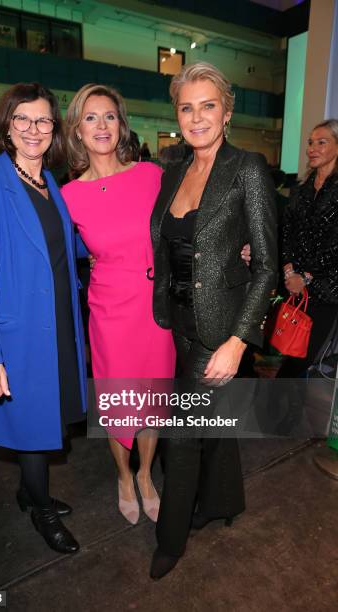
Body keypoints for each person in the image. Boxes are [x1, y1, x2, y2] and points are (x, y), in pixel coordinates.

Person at [150, 61, 277, 579]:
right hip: (178, 318)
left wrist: (238, 341)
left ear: (226, 113)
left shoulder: (247, 168)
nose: (197, 117)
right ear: (176, 114)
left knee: (181, 435)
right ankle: (224, 501)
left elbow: (267, 263)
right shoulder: (174, 169)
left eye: (208, 106)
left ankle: (170, 539)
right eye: (187, 107)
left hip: (219, 327)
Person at [0, 82, 87, 554]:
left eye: (44, 120)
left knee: (47, 417)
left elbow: (67, 248)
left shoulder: (50, 182)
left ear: (55, 129)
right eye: (23, 120)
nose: (34, 129)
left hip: (56, 323)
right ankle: (42, 509)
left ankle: (29, 491)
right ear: (7, 127)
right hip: (17, 332)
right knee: (33, 426)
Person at [61, 84, 176, 525]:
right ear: (77, 130)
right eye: (90, 118)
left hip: (155, 309)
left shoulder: (150, 175)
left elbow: (182, 227)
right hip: (110, 312)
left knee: (153, 395)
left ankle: (147, 474)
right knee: (118, 400)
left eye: (109, 116)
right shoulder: (69, 196)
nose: (101, 125)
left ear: (121, 124)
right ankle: (123, 477)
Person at [277, 118, 338, 378]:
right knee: (291, 355)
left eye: (321, 142)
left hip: (327, 292)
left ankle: (280, 414)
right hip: (296, 290)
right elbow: (287, 233)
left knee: (299, 363)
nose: (312, 148)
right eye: (310, 142)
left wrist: (307, 278)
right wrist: (290, 271)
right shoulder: (300, 191)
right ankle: (287, 414)